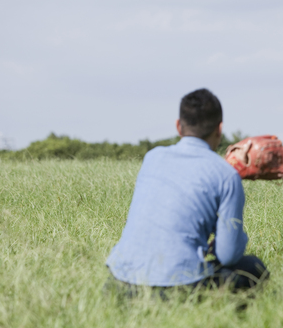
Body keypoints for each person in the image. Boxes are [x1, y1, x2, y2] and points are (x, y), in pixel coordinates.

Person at [105, 88, 268, 298]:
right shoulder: (227, 175)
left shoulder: (152, 158)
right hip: (175, 289)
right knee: (252, 266)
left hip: (118, 282)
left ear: (178, 126)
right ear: (219, 129)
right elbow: (228, 257)